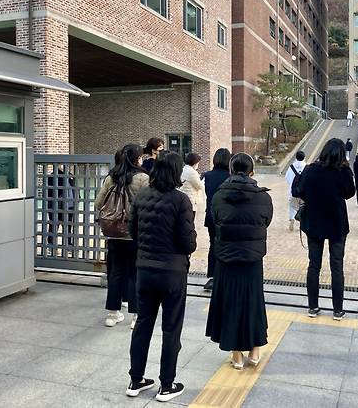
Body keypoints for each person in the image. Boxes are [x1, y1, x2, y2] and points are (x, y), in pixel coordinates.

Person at [127, 151, 197, 403]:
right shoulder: (181, 201)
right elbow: (188, 243)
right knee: (171, 328)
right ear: (177, 173)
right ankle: (167, 385)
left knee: (143, 324)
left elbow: (133, 231)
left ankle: (136, 379)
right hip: (172, 273)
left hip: (144, 270)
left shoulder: (142, 196)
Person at [206, 153, 273, 370]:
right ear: (252, 172)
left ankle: (236, 355)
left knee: (230, 303)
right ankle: (255, 350)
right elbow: (266, 222)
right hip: (253, 259)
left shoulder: (217, 196)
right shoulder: (264, 198)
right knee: (253, 301)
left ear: (231, 171)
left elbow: (214, 222)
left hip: (226, 258)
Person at [297, 138, 355, 321]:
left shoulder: (311, 169)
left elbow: (299, 190)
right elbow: (349, 193)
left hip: (314, 223)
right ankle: (338, 310)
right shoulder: (343, 171)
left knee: (314, 265)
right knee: (337, 266)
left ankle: (313, 307)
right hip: (337, 224)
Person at [95, 144, 149, 329]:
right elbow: (147, 206)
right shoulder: (143, 178)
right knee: (135, 273)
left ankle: (112, 314)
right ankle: (135, 316)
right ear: (137, 159)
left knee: (115, 273)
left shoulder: (112, 178)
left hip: (114, 234)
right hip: (134, 234)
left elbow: (98, 203)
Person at [202, 148, 232, 291]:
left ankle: (212, 276)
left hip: (211, 216)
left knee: (213, 245)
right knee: (227, 246)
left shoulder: (207, 175)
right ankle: (225, 276)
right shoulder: (230, 176)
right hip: (227, 217)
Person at [46, 165, 75, 246]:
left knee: (67, 226)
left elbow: (74, 189)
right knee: (55, 225)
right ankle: (52, 243)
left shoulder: (70, 176)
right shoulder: (53, 176)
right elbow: (50, 192)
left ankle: (66, 243)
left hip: (69, 205)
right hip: (57, 205)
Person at [285, 150, 306, 231]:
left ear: (296, 157)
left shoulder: (291, 167)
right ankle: (302, 222)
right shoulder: (306, 167)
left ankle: (292, 219)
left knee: (292, 206)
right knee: (303, 207)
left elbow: (287, 177)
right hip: (304, 193)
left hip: (293, 192)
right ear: (304, 157)